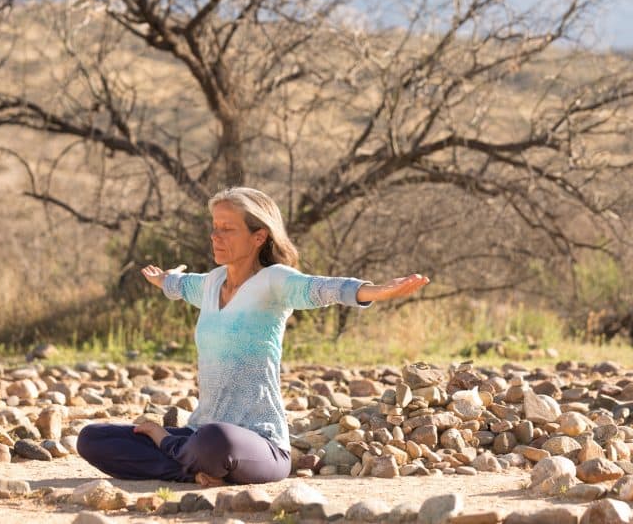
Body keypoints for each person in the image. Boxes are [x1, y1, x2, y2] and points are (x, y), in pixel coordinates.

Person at [76, 187, 429, 485]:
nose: (215, 236)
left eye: (227, 229)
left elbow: (322, 288)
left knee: (217, 440)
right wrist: (164, 279)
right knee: (92, 439)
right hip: (200, 434)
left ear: (258, 236)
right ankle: (196, 469)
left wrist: (376, 291)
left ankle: (177, 451)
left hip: (260, 443)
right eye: (215, 227)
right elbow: (180, 285)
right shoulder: (212, 282)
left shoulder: (274, 281)